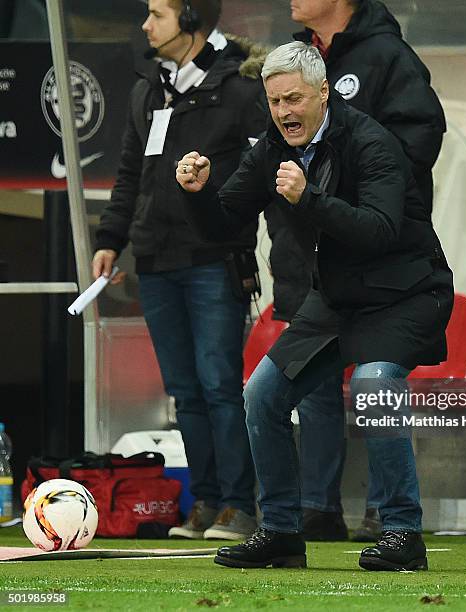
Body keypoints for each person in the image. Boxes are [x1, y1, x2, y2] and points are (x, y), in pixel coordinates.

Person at [176, 42, 453, 570]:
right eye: (275, 101)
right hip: (337, 297)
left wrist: (310, 201)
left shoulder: (373, 142)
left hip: (405, 292)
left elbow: (379, 230)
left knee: (375, 385)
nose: (284, 112)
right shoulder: (271, 149)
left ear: (324, 93)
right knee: (261, 394)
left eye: (294, 99)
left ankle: (401, 533)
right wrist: (198, 193)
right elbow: (223, 224)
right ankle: (281, 531)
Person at [262, 0, 447, 541]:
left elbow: (421, 135)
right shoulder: (294, 58)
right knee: (291, 389)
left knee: (374, 382)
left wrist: (361, 191)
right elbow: (267, 159)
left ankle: (391, 517)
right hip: (308, 254)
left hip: (380, 260)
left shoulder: (387, 55)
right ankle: (310, 511)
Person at [92, 0, 267, 541]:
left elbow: (258, 171)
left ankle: (240, 505)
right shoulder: (151, 88)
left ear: (191, 19)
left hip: (214, 258)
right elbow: (129, 174)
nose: (146, 25)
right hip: (156, 259)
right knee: (185, 391)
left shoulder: (239, 87)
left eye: (158, 14)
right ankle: (208, 501)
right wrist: (111, 240)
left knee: (219, 385)